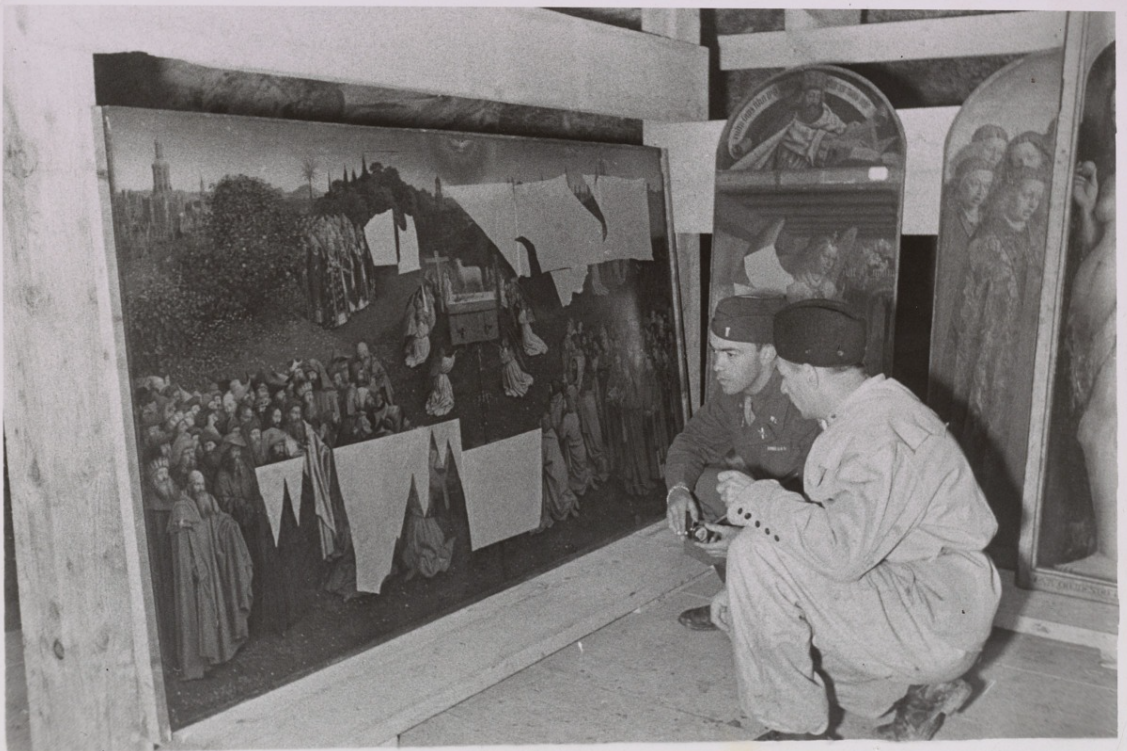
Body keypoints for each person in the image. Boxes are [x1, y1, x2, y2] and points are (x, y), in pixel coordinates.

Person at [708, 299, 1001, 741]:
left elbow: (841, 553)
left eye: (786, 376)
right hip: (923, 598)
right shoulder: (870, 410)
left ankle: (798, 732)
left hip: (934, 610)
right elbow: (838, 525)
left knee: (754, 558)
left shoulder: (882, 433)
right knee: (741, 609)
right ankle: (914, 694)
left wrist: (758, 501)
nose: (784, 389)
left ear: (809, 372)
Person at [665, 295, 820, 631]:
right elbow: (691, 442)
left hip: (807, 536)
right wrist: (677, 491)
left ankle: (785, 612)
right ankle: (739, 598)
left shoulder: (802, 403)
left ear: (767, 354)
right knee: (702, 485)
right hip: (771, 520)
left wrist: (743, 538)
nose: (717, 365)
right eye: (715, 351)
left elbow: (820, 519)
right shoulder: (734, 394)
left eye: (730, 354)